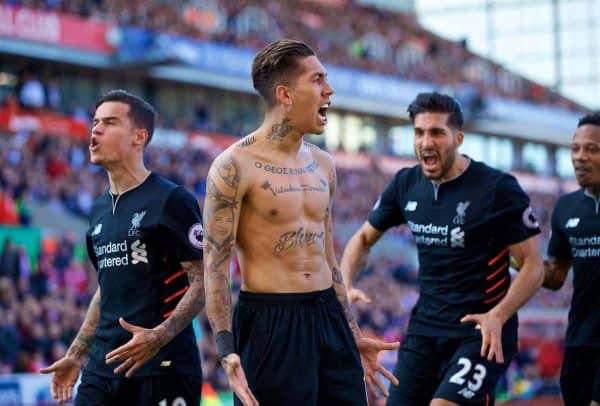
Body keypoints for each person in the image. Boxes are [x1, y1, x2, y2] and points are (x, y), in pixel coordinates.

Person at [203, 39, 399, 406]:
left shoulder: (324, 164)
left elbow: (327, 255)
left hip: (328, 316)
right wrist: (226, 348)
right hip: (270, 322)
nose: (329, 90)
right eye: (317, 80)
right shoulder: (233, 166)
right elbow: (215, 267)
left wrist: (352, 330)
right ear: (285, 94)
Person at [340, 92, 544, 406]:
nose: (426, 142)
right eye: (419, 132)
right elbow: (363, 239)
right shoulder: (406, 184)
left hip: (480, 333)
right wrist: (347, 283)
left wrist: (498, 315)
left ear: (458, 138)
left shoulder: (496, 188)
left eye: (437, 132)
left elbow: (533, 265)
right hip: (424, 332)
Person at [40, 90, 205, 405]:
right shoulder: (98, 209)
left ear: (138, 137)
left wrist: (159, 336)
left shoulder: (172, 200)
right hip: (104, 368)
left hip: (163, 366)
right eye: (95, 122)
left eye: (110, 122)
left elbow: (203, 280)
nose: (96, 130)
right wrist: (76, 354)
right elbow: (106, 289)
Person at [544, 113, 600, 406]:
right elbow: (555, 277)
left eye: (592, 149)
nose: (580, 157)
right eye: (575, 149)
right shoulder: (566, 207)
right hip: (579, 341)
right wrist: (516, 258)